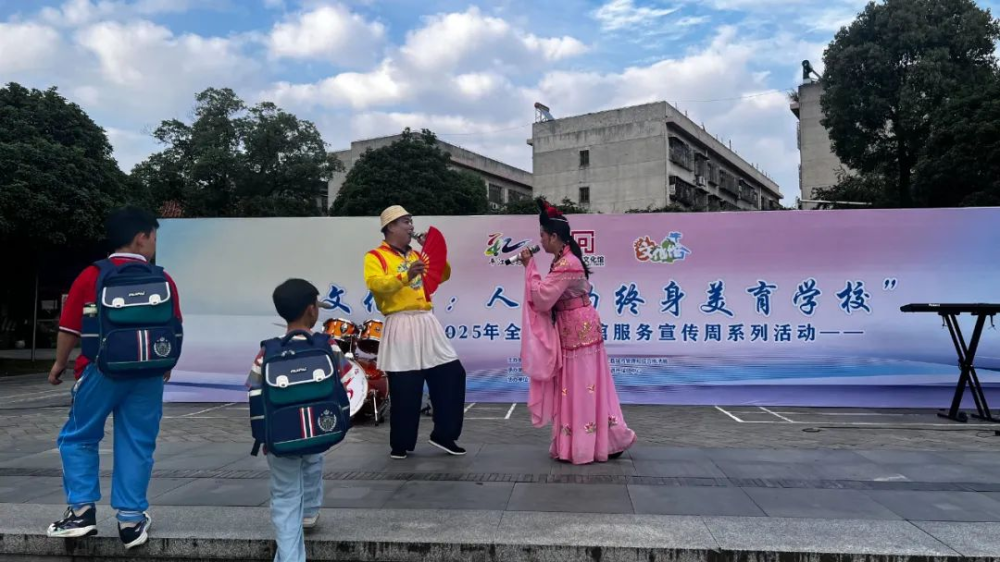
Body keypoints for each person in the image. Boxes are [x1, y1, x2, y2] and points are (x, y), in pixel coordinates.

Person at [47, 207, 182, 548]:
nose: (154, 244)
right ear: (141, 238)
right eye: (153, 237)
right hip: (148, 375)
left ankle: (81, 512)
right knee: (137, 441)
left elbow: (69, 328)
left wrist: (59, 363)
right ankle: (131, 521)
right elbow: (175, 327)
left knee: (79, 436)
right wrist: (165, 365)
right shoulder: (163, 279)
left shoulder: (92, 275)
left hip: (99, 371)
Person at [519, 198, 637, 464]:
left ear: (554, 236)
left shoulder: (567, 264)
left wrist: (530, 267)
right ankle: (600, 440)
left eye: (542, 235)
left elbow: (542, 297)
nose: (540, 241)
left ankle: (589, 444)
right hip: (573, 326)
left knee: (583, 387)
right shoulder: (563, 261)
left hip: (578, 328)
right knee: (577, 387)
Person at [246, 279, 353, 562]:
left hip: (281, 436)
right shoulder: (328, 345)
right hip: (319, 428)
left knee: (285, 496)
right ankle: (310, 512)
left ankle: (291, 555)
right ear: (311, 310)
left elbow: (254, 389)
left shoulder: (267, 351)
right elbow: (346, 376)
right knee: (314, 459)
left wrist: (264, 435)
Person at [364, 205, 466, 459]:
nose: (411, 227)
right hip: (400, 321)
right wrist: (405, 275)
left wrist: (431, 251)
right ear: (390, 227)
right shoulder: (375, 257)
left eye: (411, 222)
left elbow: (442, 275)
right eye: (406, 222)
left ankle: (444, 434)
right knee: (406, 386)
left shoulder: (416, 255)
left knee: (452, 374)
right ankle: (401, 443)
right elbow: (377, 285)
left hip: (426, 320)